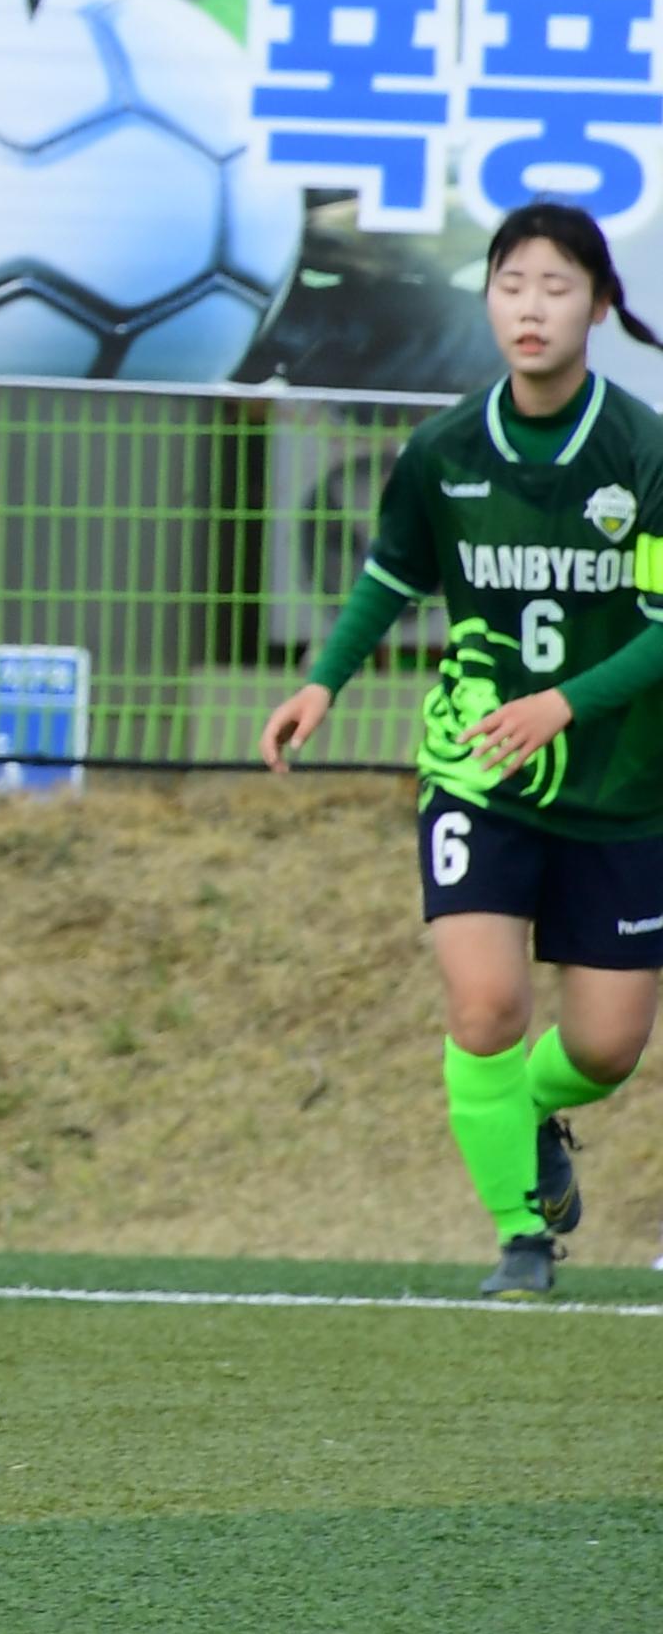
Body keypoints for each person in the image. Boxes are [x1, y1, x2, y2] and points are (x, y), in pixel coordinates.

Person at [264, 201, 663, 1299]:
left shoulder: (644, 448)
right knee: (485, 1005)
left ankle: (532, 1108)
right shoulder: (443, 448)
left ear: (600, 304)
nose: (531, 308)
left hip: (624, 786)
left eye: (557, 287)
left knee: (606, 1049)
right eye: (511, 285)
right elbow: (394, 572)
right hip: (478, 771)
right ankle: (522, 1238)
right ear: (486, 298)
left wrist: (566, 705)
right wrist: (321, 680)